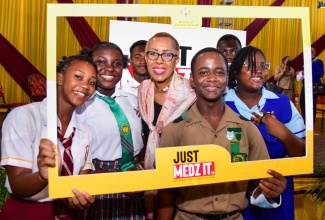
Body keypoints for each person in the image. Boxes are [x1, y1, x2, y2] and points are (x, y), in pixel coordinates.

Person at [157, 47, 287, 220]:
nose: (212, 78)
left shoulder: (247, 129)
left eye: (219, 72)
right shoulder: (174, 130)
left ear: (227, 78)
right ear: (192, 80)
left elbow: (256, 185)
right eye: (203, 72)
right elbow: (166, 193)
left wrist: (271, 191)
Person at [0, 54, 97, 219]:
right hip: (29, 212)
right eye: (78, 77)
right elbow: (17, 184)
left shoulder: (84, 130)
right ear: (59, 78)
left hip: (68, 214)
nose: (85, 86)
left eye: (92, 82)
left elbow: (81, 181)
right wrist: (41, 176)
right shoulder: (24, 117)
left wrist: (80, 198)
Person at [224, 46, 305, 220]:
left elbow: (302, 153)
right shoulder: (221, 105)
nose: (258, 71)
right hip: (233, 194)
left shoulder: (283, 103)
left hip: (276, 190)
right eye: (250, 65)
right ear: (236, 71)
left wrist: (282, 132)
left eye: (262, 66)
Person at [76, 42, 146, 219]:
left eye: (116, 64)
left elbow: (143, 139)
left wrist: (138, 168)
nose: (110, 69)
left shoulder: (132, 100)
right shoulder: (79, 105)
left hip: (134, 181)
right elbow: (75, 159)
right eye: (101, 62)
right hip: (98, 180)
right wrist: (118, 179)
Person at [138, 32, 196, 219]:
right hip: (150, 177)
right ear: (146, 57)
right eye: (153, 53)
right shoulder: (142, 90)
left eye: (167, 54)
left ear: (177, 59)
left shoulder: (191, 93)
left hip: (184, 180)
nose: (159, 61)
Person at [299, 47, 324, 123]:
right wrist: (300, 73)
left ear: (312, 53)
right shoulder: (307, 62)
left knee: (310, 106)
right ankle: (304, 123)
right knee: (302, 104)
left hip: (313, 86)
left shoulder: (318, 61)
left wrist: (307, 72)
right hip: (305, 86)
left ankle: (310, 125)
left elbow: (320, 73)